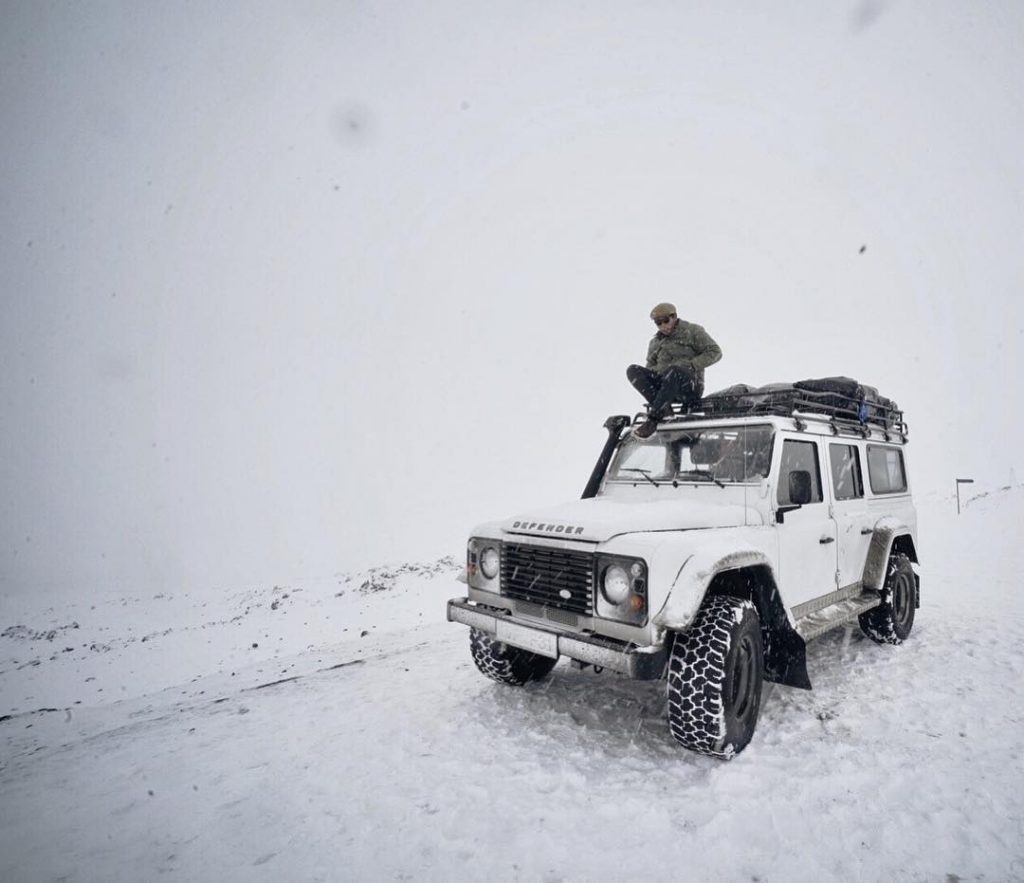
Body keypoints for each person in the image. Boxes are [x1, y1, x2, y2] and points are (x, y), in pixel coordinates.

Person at [627, 302, 722, 438]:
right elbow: (650, 366)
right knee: (633, 370)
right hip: (665, 386)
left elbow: (715, 352)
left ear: (674, 317)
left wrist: (692, 365)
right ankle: (664, 410)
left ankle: (653, 420)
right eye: (658, 323)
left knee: (675, 371)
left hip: (688, 386)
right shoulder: (655, 343)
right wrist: (660, 372)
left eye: (666, 321)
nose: (663, 326)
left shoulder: (692, 331)